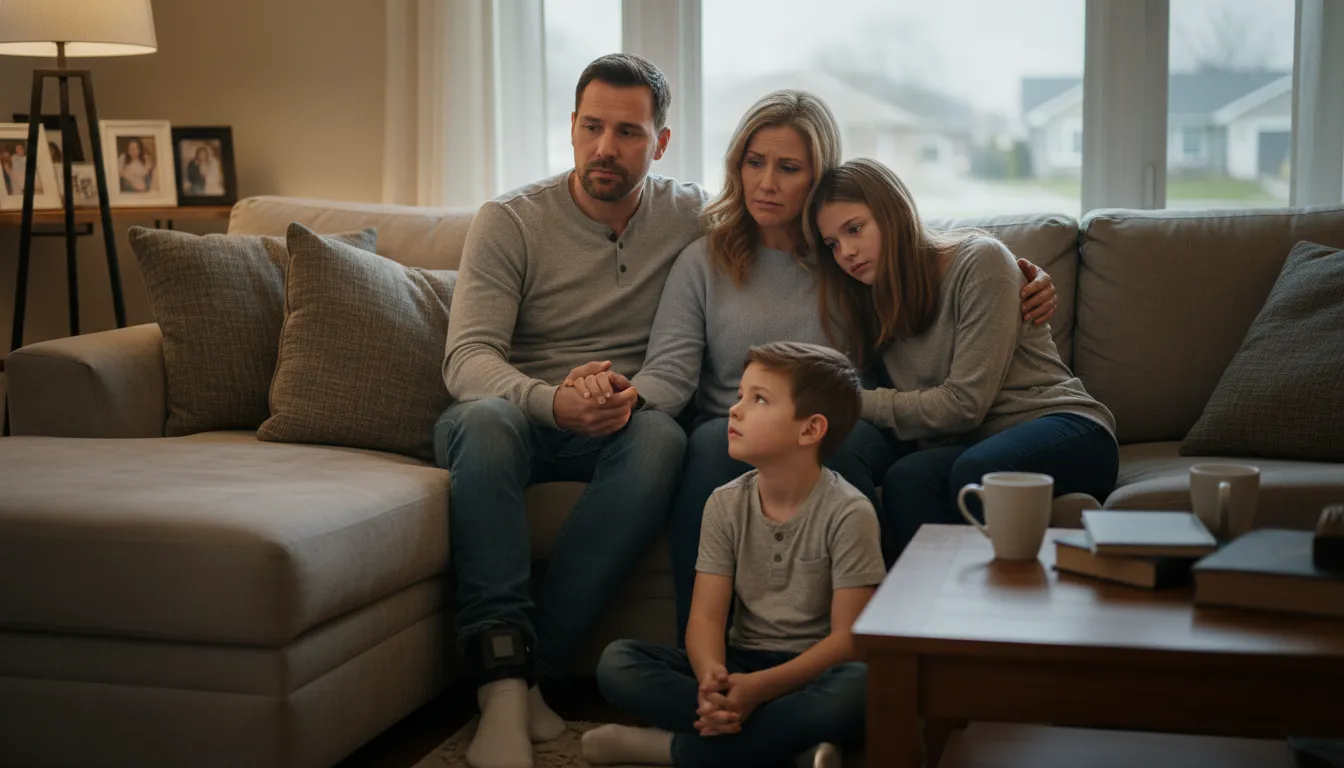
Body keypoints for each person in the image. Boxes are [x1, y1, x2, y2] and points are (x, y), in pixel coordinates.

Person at [564, 90, 1058, 639]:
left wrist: (1024, 276)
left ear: (818, 178)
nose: (767, 182)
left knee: (837, 443)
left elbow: (928, 258)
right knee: (709, 444)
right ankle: (699, 664)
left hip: (843, 423)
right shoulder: (703, 259)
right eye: (755, 163)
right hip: (734, 423)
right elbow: (671, 374)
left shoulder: (847, 257)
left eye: (788, 168)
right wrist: (625, 394)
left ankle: (847, 655)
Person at [435, 53, 705, 768]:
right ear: (573, 128)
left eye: (628, 132)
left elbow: (802, 233)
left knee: (662, 441)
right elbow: (466, 360)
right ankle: (500, 685)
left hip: (618, 420)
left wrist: (988, 265)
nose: (605, 148)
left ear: (662, 142)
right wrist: (552, 401)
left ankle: (531, 674)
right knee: (486, 421)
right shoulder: (510, 220)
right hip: (515, 416)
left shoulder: (692, 216)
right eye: (592, 127)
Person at [582, 342, 883, 768]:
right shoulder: (724, 504)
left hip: (810, 673)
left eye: (758, 399)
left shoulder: (849, 512)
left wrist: (758, 690)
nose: (735, 410)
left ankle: (670, 750)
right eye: (740, 395)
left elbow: (847, 641)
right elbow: (705, 617)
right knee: (617, 663)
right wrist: (711, 680)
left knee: (861, 685)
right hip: (738, 662)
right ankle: (786, 744)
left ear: (810, 430)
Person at [812, 158, 1119, 558]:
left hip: (1065, 429)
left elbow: (965, 405)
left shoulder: (979, 261)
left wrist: (851, 401)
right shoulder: (867, 296)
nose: (847, 253)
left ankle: (982, 610)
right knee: (907, 476)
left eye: (854, 229)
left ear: (894, 214)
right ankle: (903, 607)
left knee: (976, 472)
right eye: (832, 244)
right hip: (966, 446)